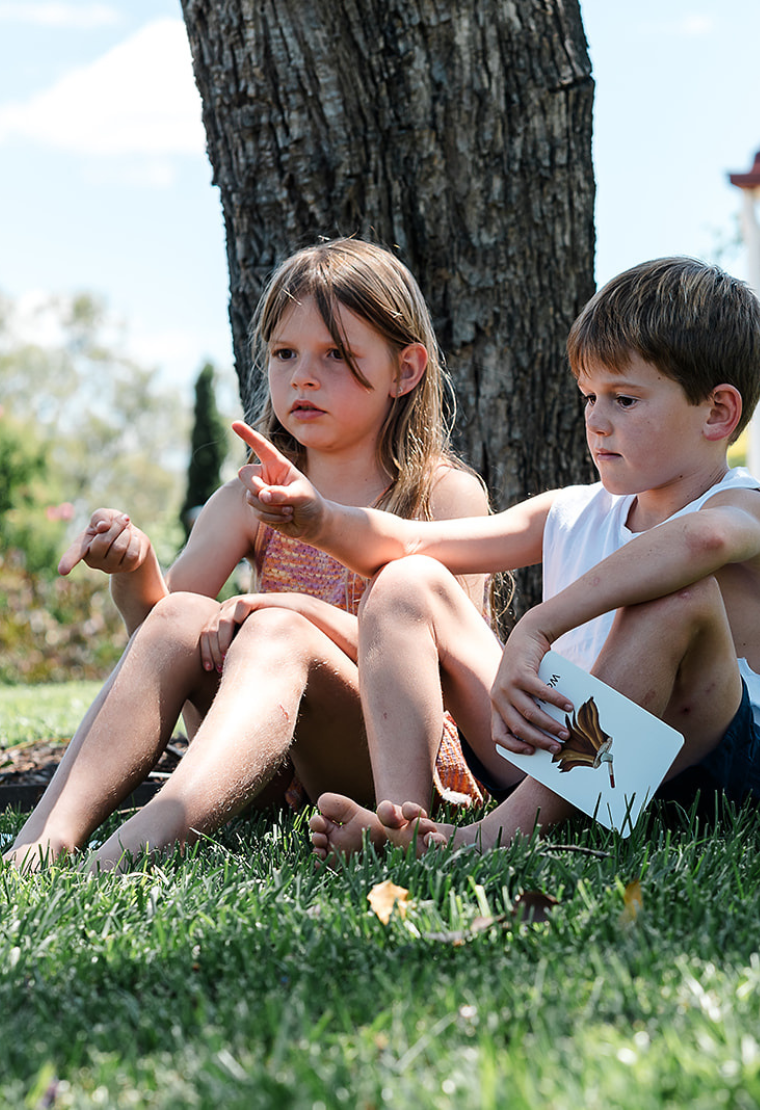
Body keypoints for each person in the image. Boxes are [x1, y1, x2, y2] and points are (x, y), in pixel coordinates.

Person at [226, 256, 760, 859]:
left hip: (716, 783)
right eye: (589, 397)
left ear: (717, 412)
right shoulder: (578, 509)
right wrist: (319, 518)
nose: (597, 422)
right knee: (410, 579)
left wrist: (538, 625)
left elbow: (696, 545)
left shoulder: (747, 509)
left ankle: (485, 840)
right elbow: (414, 541)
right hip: (574, 766)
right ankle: (403, 820)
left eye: (624, 400)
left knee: (678, 593)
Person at [4, 238, 492, 872]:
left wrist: (287, 612)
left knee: (277, 629)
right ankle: (43, 842)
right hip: (268, 765)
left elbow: (458, 675)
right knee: (183, 613)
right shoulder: (247, 498)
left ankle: (141, 843)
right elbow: (167, 639)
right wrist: (137, 572)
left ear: (405, 370)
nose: (303, 376)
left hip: (389, 767)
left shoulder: (442, 495)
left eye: (336, 356)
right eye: (285, 354)